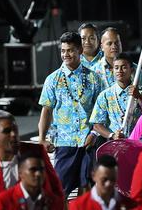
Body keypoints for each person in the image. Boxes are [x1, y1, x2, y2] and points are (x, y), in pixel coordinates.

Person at [38, 31, 106, 197]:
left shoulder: (94, 79)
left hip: (89, 143)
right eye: (63, 51)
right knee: (59, 191)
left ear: (80, 50)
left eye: (70, 50)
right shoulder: (52, 79)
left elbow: (102, 112)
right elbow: (46, 110)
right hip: (64, 143)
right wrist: (42, 138)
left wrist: (95, 133)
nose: (65, 54)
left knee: (88, 190)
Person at [0, 111, 62, 209]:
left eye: (15, 129)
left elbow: (56, 188)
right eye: (7, 131)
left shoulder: (36, 151)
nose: (13, 134)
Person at [90, 52, 142, 141]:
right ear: (112, 70)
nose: (120, 70)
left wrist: (139, 97)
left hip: (140, 142)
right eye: (116, 68)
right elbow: (97, 125)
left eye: (124, 67)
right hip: (117, 145)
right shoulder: (105, 95)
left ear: (132, 70)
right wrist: (112, 135)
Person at [0, 153, 65, 210]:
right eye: (33, 170)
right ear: (20, 173)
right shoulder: (3, 201)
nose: (38, 174)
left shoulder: (55, 202)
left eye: (41, 169)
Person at [69, 155, 137, 209]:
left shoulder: (130, 205)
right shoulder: (78, 206)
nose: (108, 184)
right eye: (104, 180)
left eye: (113, 179)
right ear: (93, 176)